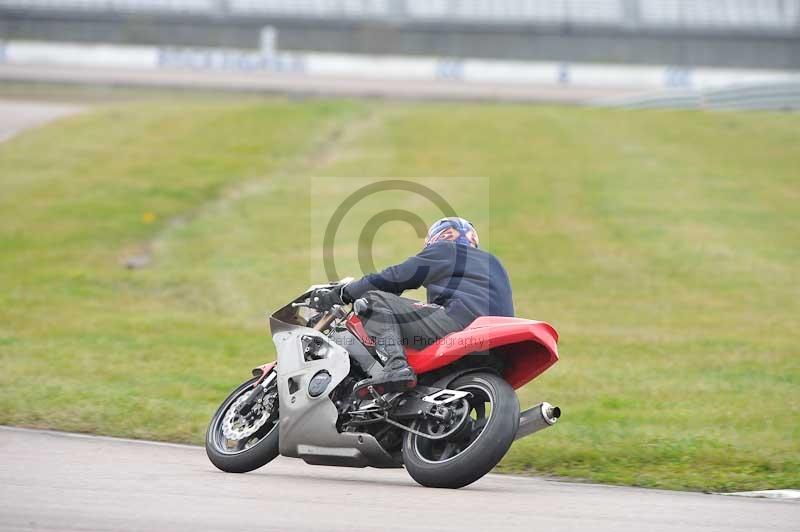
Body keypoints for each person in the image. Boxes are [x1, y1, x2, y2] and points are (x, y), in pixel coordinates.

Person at [311, 217, 514, 396]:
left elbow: (396, 276)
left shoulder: (448, 250)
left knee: (374, 300)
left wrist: (344, 293)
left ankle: (395, 367)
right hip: (496, 353)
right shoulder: (494, 264)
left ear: (437, 238)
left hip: (461, 325)